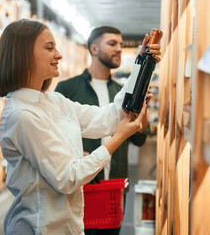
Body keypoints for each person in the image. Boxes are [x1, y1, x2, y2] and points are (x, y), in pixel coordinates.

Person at [0, 19, 161, 235]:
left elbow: (105, 118)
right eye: (49, 47)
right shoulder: (21, 115)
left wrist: (141, 63)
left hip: (70, 225)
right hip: (40, 228)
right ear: (24, 54)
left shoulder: (54, 101)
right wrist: (118, 138)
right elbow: (68, 177)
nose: (59, 54)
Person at [55, 26, 161, 235]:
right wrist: (75, 155)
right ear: (93, 48)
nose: (119, 49)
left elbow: (139, 140)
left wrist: (143, 104)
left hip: (114, 190)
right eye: (112, 44)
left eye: (121, 44)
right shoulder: (67, 89)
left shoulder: (122, 90)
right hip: (82, 189)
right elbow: (56, 137)